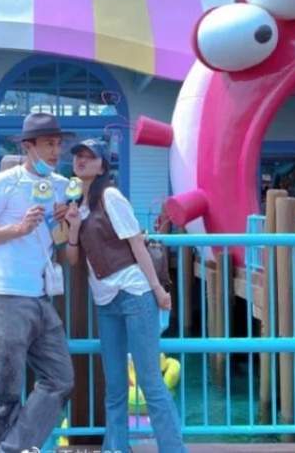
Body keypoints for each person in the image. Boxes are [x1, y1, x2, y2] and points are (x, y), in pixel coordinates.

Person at [65, 138, 186, 453]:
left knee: (150, 382)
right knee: (115, 385)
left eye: (89, 156)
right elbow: (74, 259)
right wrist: (73, 228)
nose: (81, 160)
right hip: (105, 302)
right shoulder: (77, 204)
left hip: (134, 293)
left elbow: (136, 245)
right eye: (78, 155)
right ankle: (116, 447)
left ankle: (173, 449)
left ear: (102, 166)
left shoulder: (111, 196)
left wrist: (158, 290)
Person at [0, 112, 74, 453]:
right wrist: (18, 229)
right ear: (28, 146)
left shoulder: (60, 185)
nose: (55, 151)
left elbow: (57, 240)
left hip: (41, 296)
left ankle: (9, 449)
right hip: (5, 297)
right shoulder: (4, 182)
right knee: (5, 395)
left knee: (61, 379)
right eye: (48, 144)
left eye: (58, 144)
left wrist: (65, 223)